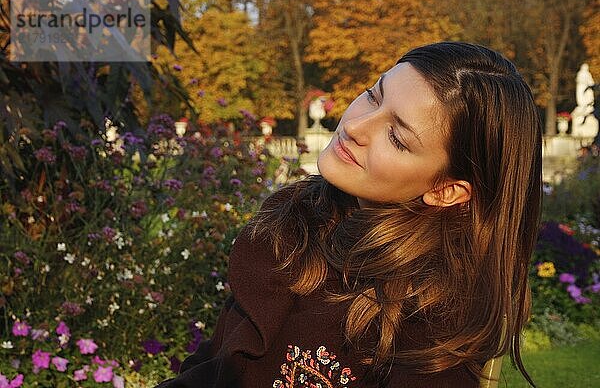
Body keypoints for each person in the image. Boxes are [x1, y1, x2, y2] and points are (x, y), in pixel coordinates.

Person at [155, 42, 542, 388]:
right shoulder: (292, 222)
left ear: (446, 190)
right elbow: (214, 365)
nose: (354, 125)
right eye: (374, 97)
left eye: (397, 138)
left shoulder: (436, 323)